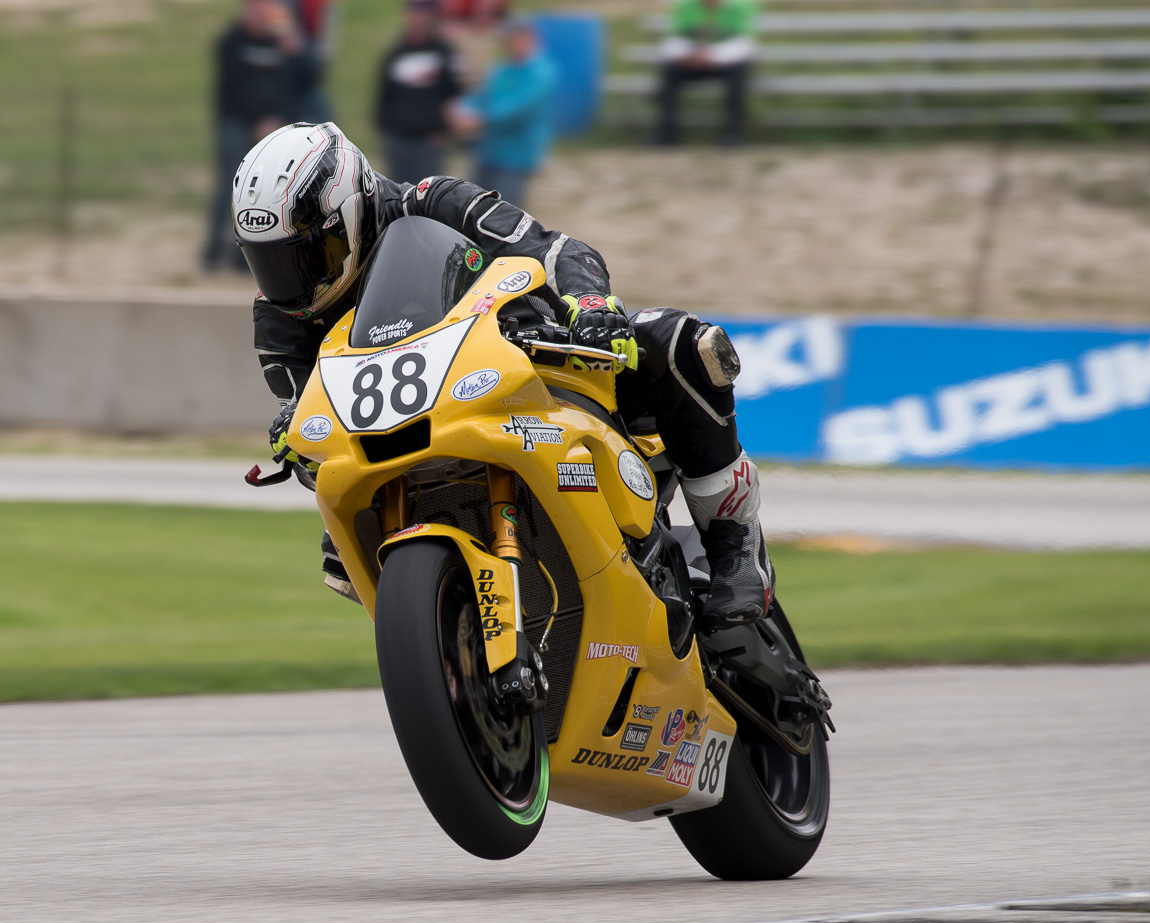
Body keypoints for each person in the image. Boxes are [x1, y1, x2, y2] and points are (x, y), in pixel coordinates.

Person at [232, 122, 774, 628]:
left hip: (533, 374)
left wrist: (587, 305)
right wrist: (298, 430)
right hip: (413, 439)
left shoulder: (433, 202)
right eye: (272, 263)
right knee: (340, 552)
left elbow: (550, 248)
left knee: (676, 341)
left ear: (351, 211)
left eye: (308, 254)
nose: (292, 283)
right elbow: (308, 403)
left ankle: (735, 550)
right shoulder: (279, 318)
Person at [203, 0, 315, 273]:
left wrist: (297, 49)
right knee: (232, 186)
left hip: (274, 127)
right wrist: (256, 121)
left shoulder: (281, 44)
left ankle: (246, 256)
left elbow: (306, 82)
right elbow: (231, 90)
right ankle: (214, 250)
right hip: (239, 124)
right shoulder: (232, 43)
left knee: (264, 193)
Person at [448, 17, 556, 210]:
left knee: (505, 215)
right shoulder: (501, 70)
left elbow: (521, 109)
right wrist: (461, 108)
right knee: (471, 207)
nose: (508, 44)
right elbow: (482, 96)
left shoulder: (541, 72)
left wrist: (480, 120)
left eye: (513, 38)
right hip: (487, 152)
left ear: (528, 38)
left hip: (516, 157)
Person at [374, 0, 464, 184]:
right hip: (398, 138)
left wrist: (444, 130)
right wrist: (386, 127)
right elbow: (385, 95)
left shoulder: (443, 52)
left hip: (428, 140)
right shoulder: (397, 53)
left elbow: (454, 93)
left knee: (426, 194)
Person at [654, 0, 757, 147]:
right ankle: (668, 133)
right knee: (669, 71)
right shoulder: (686, 6)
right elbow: (674, 40)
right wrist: (691, 56)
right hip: (693, 61)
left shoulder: (740, 6)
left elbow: (744, 44)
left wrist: (711, 56)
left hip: (727, 62)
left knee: (739, 74)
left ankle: (732, 133)